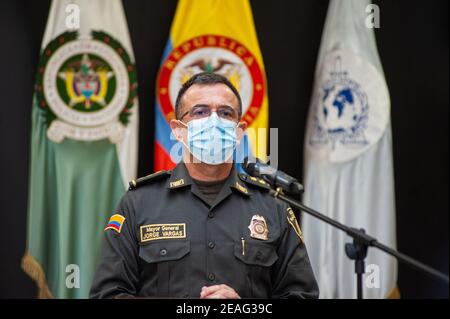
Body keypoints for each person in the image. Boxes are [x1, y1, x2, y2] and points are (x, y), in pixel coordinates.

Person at [90, 72, 319, 299]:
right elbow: (107, 294)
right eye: (200, 112)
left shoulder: (273, 207)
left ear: (239, 132)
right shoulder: (138, 204)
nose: (214, 121)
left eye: (225, 113)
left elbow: (302, 295)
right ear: (178, 131)